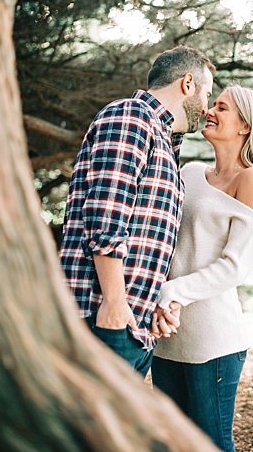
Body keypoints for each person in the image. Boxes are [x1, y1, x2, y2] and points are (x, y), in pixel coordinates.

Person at [58, 46, 214, 375]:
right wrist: (115, 303)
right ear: (187, 84)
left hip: (133, 328)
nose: (207, 107)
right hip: (102, 317)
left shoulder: (164, 142)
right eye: (207, 94)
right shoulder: (130, 116)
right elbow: (105, 215)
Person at [150, 85, 253, 452]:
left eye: (222, 107)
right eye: (214, 103)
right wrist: (160, 295)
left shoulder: (252, 180)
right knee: (174, 450)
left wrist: (172, 292)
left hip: (214, 343)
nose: (211, 110)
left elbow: (235, 266)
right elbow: (163, 239)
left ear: (244, 126)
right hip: (166, 333)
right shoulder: (188, 172)